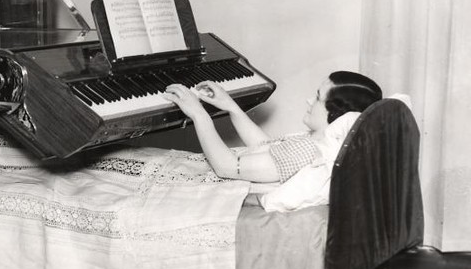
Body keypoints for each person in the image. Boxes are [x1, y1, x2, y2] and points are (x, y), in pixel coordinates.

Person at [162, 71, 383, 184]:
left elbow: (227, 167)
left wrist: (198, 114)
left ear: (336, 115)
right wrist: (230, 106)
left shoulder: (309, 152)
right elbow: (265, 146)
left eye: (317, 98)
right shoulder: (318, 143)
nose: (309, 101)